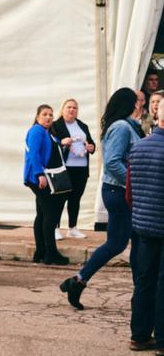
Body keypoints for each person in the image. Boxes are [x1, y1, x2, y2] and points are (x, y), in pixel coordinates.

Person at [60, 88, 144, 310]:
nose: (140, 104)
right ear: (128, 103)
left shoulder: (129, 127)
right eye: (137, 101)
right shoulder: (121, 128)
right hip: (119, 192)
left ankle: (142, 292)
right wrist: (134, 186)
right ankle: (78, 281)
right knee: (117, 243)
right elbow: (113, 162)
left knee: (137, 242)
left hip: (123, 192)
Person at [127, 100, 164, 353]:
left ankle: (139, 335)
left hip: (144, 224)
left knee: (144, 280)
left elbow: (129, 193)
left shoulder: (139, 147)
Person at [24, 104, 70, 265]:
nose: (49, 117)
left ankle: (41, 252)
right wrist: (39, 175)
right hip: (41, 178)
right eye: (45, 114)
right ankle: (51, 253)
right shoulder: (36, 131)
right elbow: (34, 154)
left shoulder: (47, 132)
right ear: (37, 117)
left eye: (51, 114)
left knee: (42, 214)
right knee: (50, 215)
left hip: (45, 177)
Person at [49, 99, 96, 240]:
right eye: (69, 107)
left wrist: (92, 148)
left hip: (81, 168)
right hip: (65, 168)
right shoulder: (56, 125)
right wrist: (61, 142)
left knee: (75, 199)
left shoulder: (82, 125)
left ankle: (73, 228)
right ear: (63, 109)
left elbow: (91, 143)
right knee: (60, 199)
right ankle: (55, 228)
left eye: (75, 108)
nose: (72, 110)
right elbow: (51, 144)